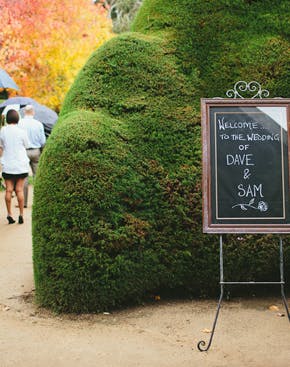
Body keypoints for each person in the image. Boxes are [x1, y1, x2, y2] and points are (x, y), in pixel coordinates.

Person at [0, 109, 29, 224]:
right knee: (19, 190)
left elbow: (1, 147)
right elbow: (26, 145)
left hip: (8, 164)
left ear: (7, 119)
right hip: (20, 164)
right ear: (17, 118)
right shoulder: (22, 131)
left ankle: (9, 214)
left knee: (9, 190)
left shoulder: (3, 131)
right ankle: (21, 214)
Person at [18, 104, 46, 208]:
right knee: (37, 176)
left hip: (23, 152)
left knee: (24, 177)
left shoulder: (19, 123)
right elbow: (43, 141)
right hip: (35, 152)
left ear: (24, 112)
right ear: (33, 112)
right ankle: (38, 201)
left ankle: (23, 203)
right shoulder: (38, 124)